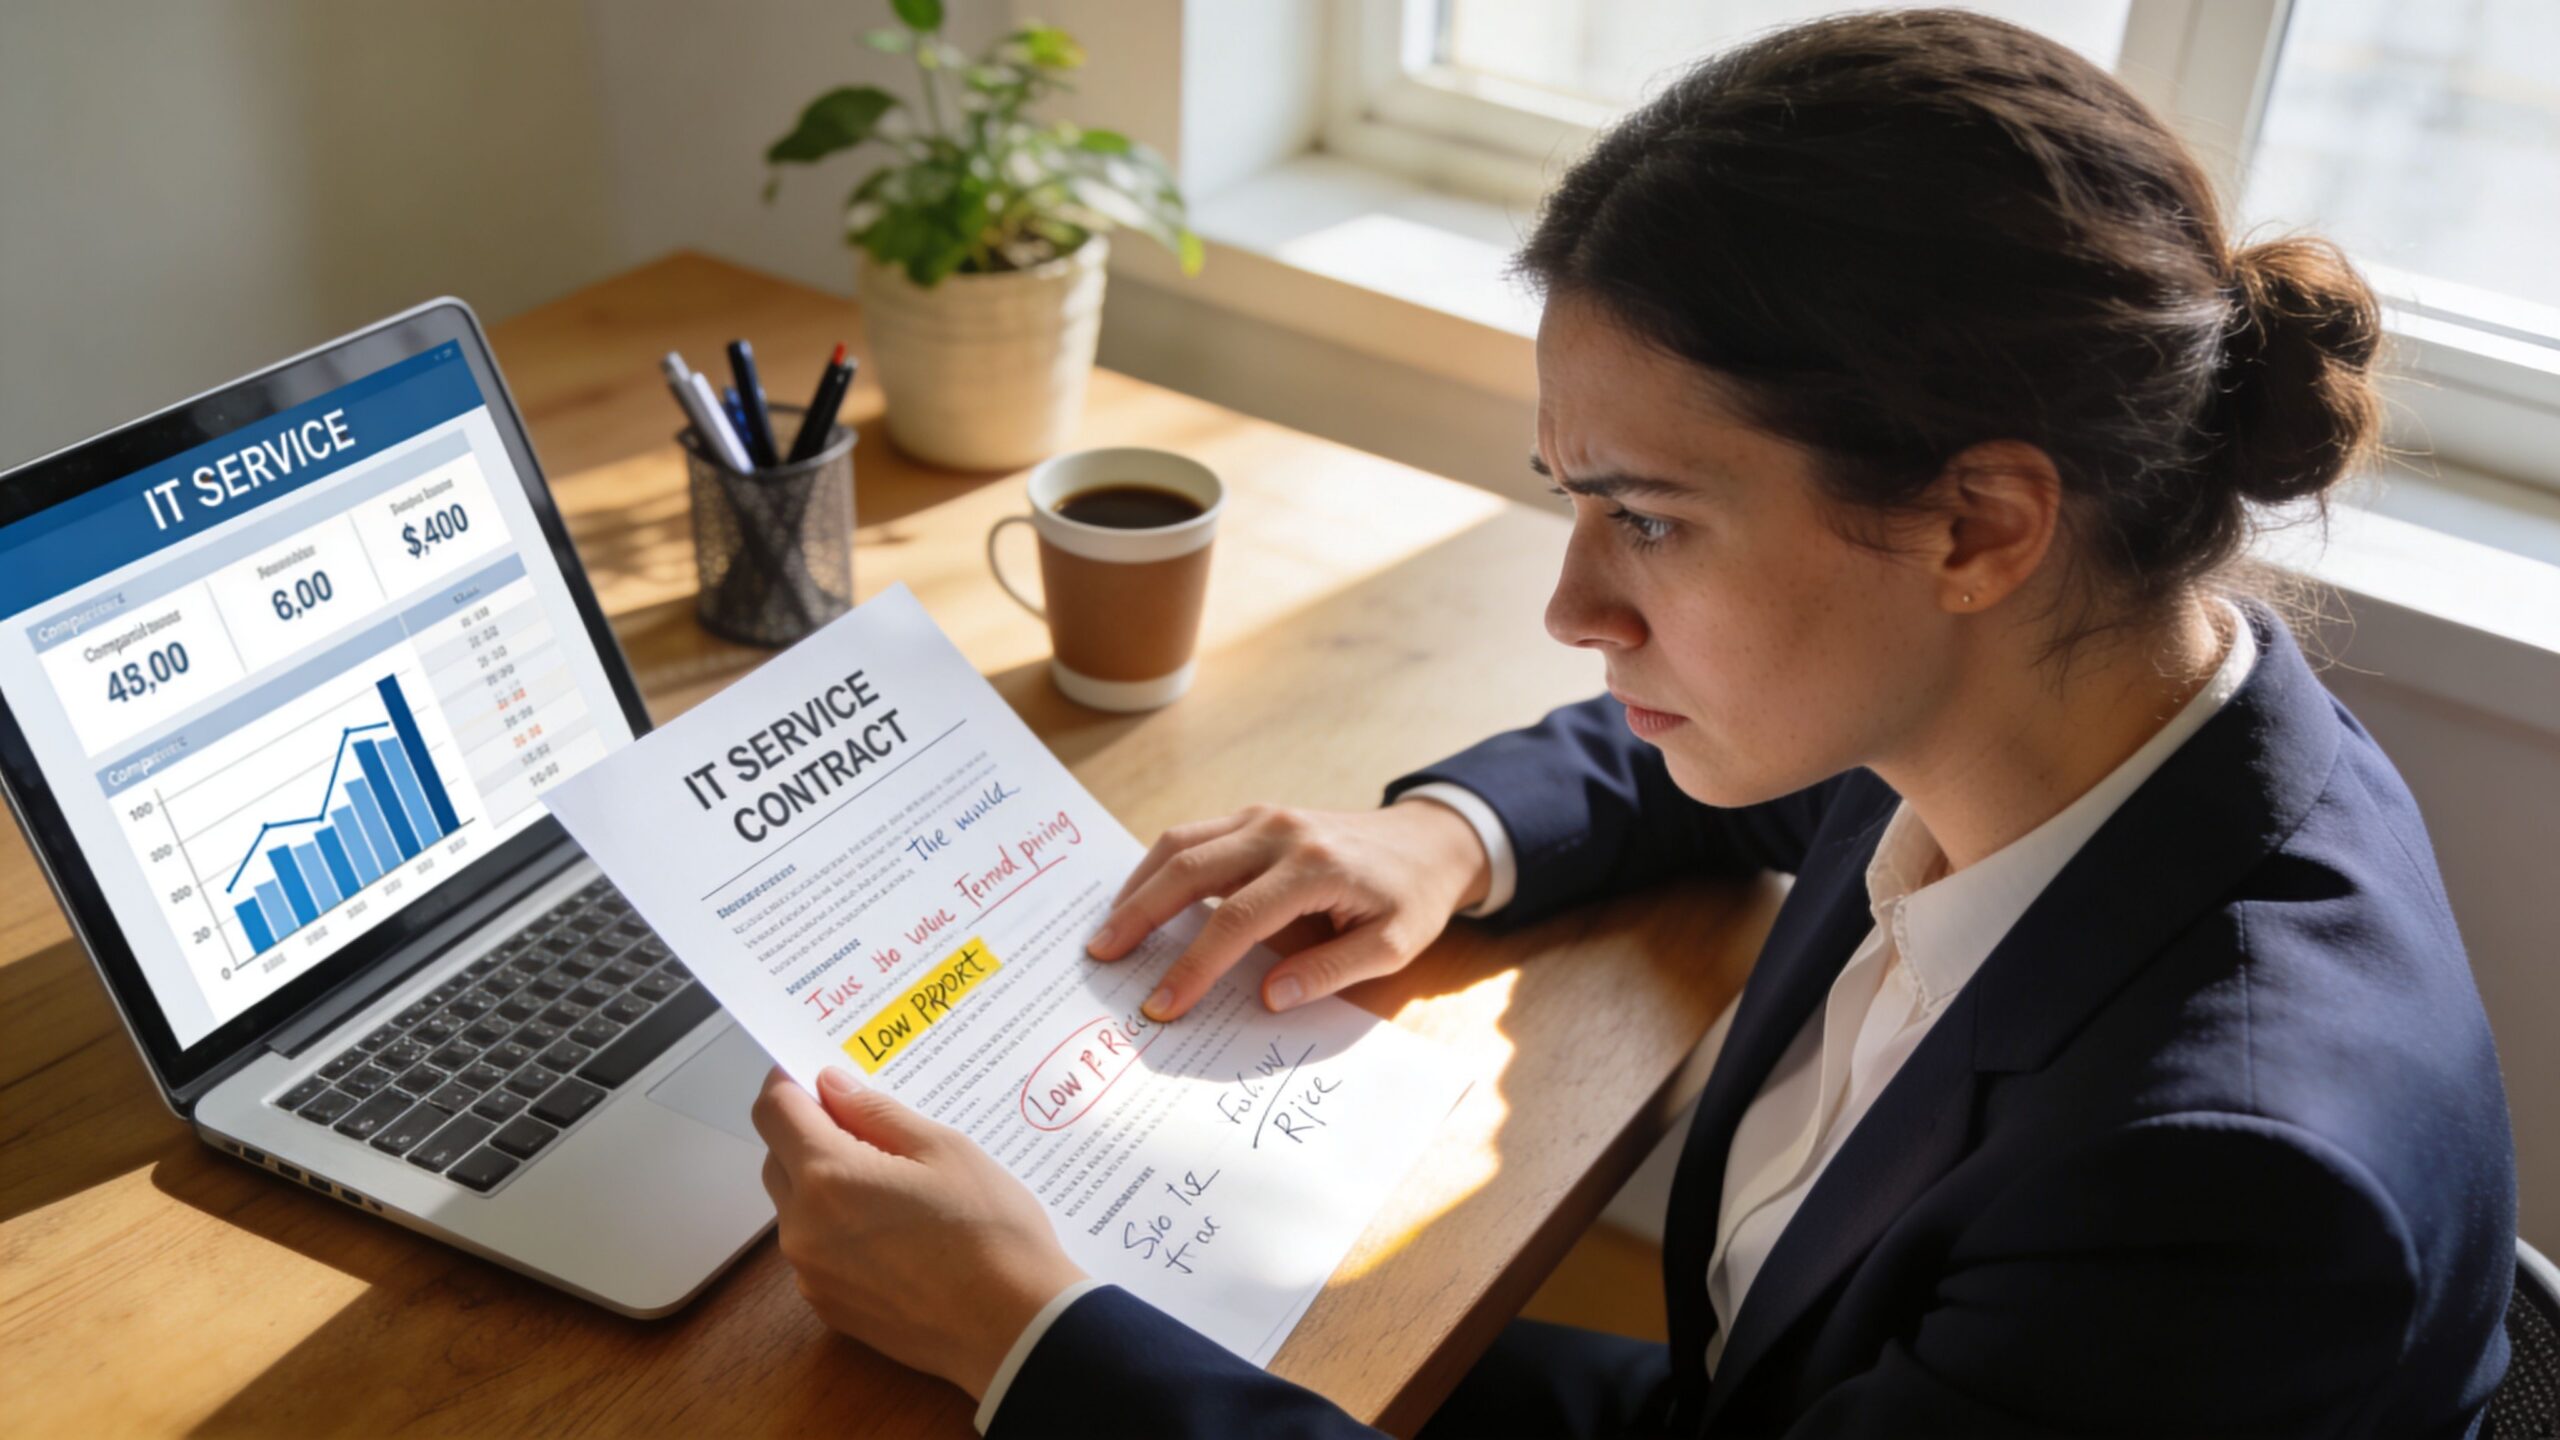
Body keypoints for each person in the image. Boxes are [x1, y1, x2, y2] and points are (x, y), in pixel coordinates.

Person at [749, 10, 2519, 1436]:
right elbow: (1731, 783)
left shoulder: (2219, 1205)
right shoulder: (2093, 708)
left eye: (1651, 519)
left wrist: (1032, 1339)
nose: (1576, 608)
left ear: (1979, 524)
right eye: (1572, 500)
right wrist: (1442, 837)